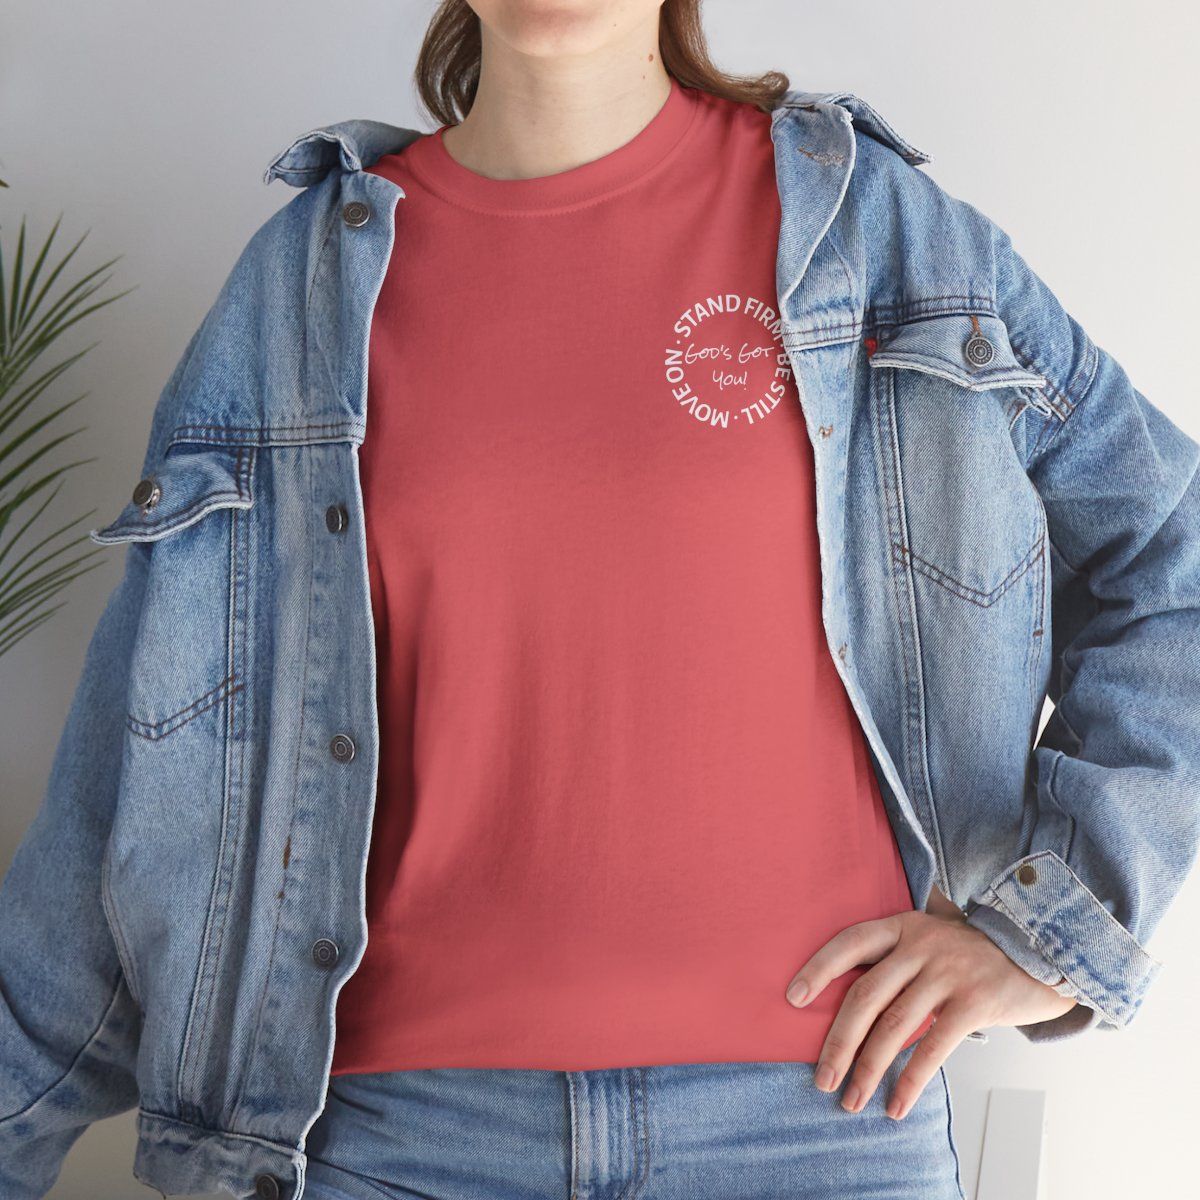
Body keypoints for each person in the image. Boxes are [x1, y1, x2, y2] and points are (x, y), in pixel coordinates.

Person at [2, 2, 1197, 1198]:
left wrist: (1055, 936)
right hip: (394, 1141)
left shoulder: (876, 236)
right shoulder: (297, 288)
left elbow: (1171, 557)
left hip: (818, 1125)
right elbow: (142, 770)